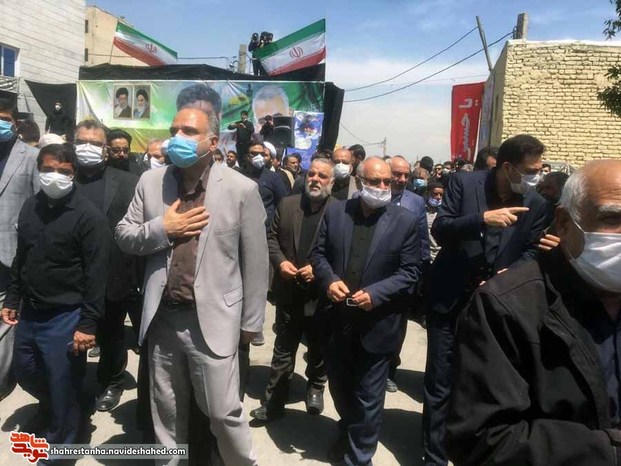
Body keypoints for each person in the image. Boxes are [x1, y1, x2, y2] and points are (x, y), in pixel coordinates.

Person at [115, 107, 267, 466]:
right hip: (163, 320)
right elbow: (124, 235)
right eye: (174, 130)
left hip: (213, 321)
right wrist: (163, 229)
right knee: (166, 414)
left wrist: (252, 323)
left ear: (212, 142)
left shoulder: (241, 189)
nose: (177, 138)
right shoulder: (151, 182)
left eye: (188, 131)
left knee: (223, 415)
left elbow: (256, 263)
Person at [446, 160, 621, 465]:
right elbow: (483, 441)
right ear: (564, 223)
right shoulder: (505, 305)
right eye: (612, 218)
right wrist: (609, 451)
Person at [423, 134, 552, 466]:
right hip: (450, 298)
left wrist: (511, 273)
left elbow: (531, 250)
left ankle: (468, 449)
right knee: (441, 381)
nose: (536, 177)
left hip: (494, 306)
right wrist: (481, 219)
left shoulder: (536, 204)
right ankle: (434, 456)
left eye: (539, 170)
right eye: (530, 171)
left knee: (480, 383)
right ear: (508, 168)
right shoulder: (465, 184)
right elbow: (441, 228)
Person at [311, 156, 421, 466]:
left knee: (369, 399)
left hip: (378, 325)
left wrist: (376, 293)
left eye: (387, 181)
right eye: (375, 182)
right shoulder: (336, 211)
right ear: (360, 182)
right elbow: (318, 255)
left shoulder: (405, 221)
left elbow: (411, 271)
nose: (383, 187)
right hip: (337, 321)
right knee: (341, 389)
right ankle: (347, 432)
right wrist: (329, 281)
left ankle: (359, 458)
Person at [2, 143, 110, 448]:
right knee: (25, 370)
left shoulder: (89, 218)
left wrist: (87, 324)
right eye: (48, 169)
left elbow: (97, 275)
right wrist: (13, 298)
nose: (54, 176)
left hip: (66, 314)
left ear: (74, 174)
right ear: (38, 169)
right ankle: (60, 408)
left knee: (63, 382)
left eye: (63, 171)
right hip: (31, 311)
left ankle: (63, 443)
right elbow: (22, 256)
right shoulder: (31, 206)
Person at [250, 158, 335, 423]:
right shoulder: (288, 205)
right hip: (289, 290)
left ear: (331, 182)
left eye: (322, 176)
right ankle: (274, 401)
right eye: (312, 174)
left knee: (318, 348)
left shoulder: (339, 211)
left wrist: (318, 270)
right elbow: (272, 237)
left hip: (320, 295)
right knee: (283, 349)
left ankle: (315, 387)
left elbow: (341, 251)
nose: (315, 179)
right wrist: (280, 262)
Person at [73, 120, 141, 413]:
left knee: (112, 334)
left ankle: (112, 381)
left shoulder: (127, 182)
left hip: (114, 274)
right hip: (71, 275)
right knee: (73, 334)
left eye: (95, 143)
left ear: (105, 149)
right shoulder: (63, 176)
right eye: (82, 142)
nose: (87, 148)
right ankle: (71, 384)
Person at [0, 92, 39, 403]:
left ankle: (2, 381)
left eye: (3, 120)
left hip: (9, 254)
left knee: (6, 321)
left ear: (15, 123)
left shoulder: (31, 157)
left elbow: (39, 208)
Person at [387, 155, 430, 392]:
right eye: (397, 174)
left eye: (406, 175)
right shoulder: (370, 197)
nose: (402, 179)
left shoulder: (416, 202)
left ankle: (390, 369)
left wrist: (421, 273)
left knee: (397, 326)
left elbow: (422, 240)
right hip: (373, 273)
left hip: (403, 277)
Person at [242, 140, 288, 230]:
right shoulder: (238, 175)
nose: (258, 157)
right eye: (254, 154)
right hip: (242, 228)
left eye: (261, 154)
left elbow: (283, 204)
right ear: (245, 156)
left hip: (265, 231)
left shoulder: (274, 178)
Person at [425, 181, 444, 262]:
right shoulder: (421, 210)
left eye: (441, 195)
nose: (438, 197)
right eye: (435, 194)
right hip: (425, 255)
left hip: (440, 255)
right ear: (428, 194)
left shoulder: (444, 213)